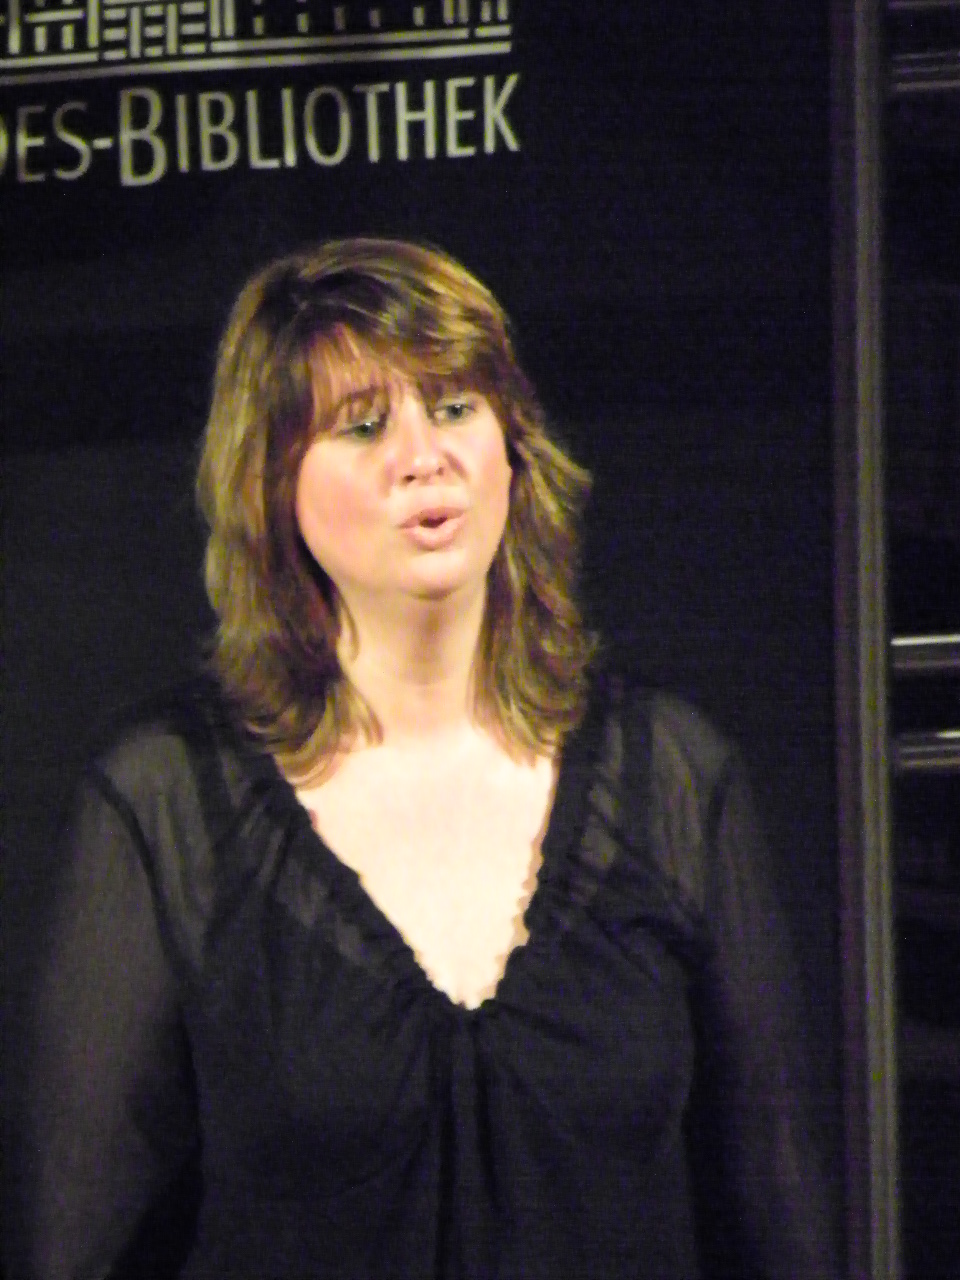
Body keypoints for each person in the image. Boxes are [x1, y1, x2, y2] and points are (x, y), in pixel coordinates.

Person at [6, 238, 841, 1279]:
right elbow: (72, 1243)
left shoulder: (671, 775)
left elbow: (778, 1214)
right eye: (363, 425)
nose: (422, 455)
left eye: (453, 407)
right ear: (273, 483)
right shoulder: (166, 800)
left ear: (512, 447)